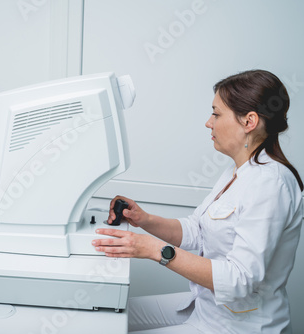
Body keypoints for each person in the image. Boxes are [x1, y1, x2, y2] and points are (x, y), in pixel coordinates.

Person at [92, 69, 303, 333]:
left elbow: (240, 280)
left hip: (237, 326)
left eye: (216, 113)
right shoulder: (239, 171)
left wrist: (153, 250)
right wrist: (143, 219)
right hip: (206, 307)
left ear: (249, 121)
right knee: (104, 319)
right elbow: (197, 229)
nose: (208, 122)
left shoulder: (271, 184)